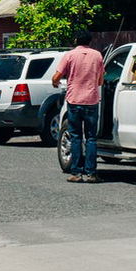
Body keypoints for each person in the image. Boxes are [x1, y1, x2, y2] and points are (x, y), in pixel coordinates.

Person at [52, 30, 105, 183]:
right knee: (91, 138)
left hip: (74, 100)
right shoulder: (97, 55)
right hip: (92, 101)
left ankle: (76, 172)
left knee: (75, 137)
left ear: (76, 40)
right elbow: (101, 80)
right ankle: (91, 173)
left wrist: (55, 82)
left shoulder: (69, 55)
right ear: (90, 41)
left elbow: (57, 76)